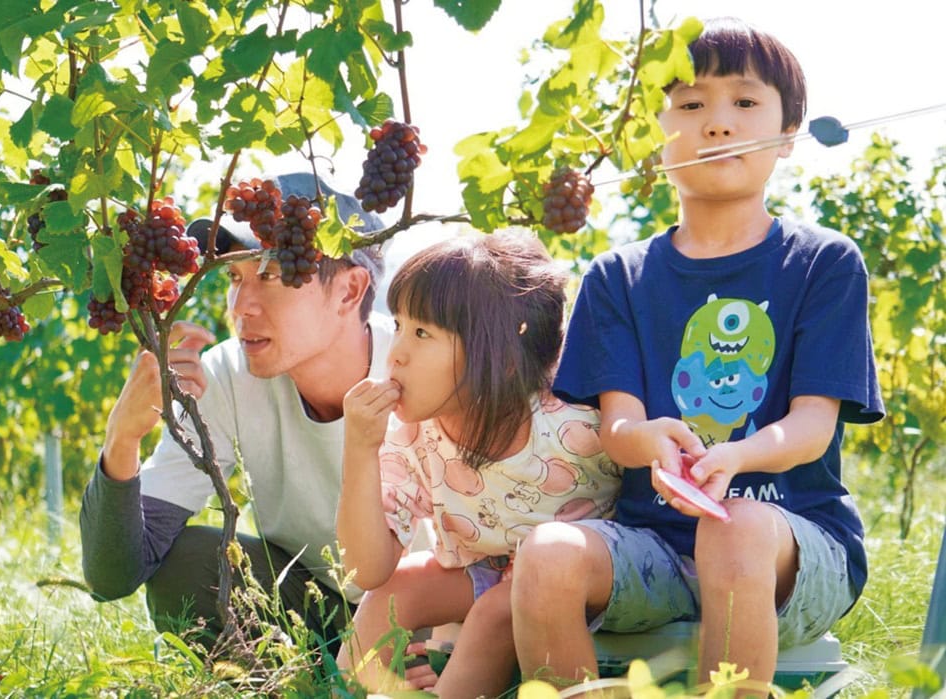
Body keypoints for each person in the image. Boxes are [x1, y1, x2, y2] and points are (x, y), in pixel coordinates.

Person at [510, 17, 885, 694]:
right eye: (689, 105)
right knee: (547, 555)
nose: (717, 124)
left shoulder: (823, 263)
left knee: (733, 530)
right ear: (655, 133)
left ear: (788, 135)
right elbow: (618, 428)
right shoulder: (617, 277)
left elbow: (812, 428)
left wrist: (735, 457)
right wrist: (647, 438)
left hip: (792, 550)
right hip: (654, 546)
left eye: (744, 102)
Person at [79, 172, 389, 649]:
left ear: (349, 291)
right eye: (234, 277)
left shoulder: (423, 368)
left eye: (270, 274)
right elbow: (114, 576)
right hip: (316, 613)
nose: (240, 306)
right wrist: (122, 440)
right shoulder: (225, 375)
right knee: (188, 564)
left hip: (436, 620)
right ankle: (305, 680)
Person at [335, 230, 622, 697]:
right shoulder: (412, 437)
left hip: (587, 576)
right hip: (490, 573)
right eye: (400, 325)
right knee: (393, 591)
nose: (397, 353)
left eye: (422, 333)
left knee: (496, 610)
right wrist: (360, 450)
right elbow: (365, 570)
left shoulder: (575, 421)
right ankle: (347, 690)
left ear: (502, 359)